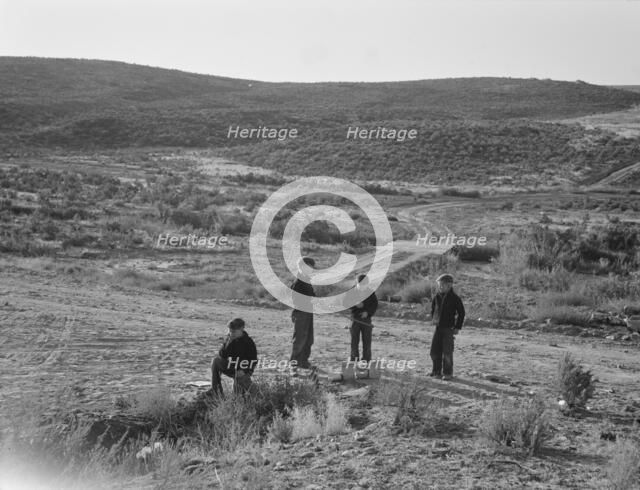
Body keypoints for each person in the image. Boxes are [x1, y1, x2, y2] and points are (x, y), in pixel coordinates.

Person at [429, 274, 465, 380]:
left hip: (449, 329)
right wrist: (434, 320)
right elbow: (433, 310)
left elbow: (461, 313)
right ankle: (436, 372)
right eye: (439, 285)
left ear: (449, 285)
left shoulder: (455, 298)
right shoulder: (437, 297)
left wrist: (457, 327)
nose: (440, 287)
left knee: (447, 353)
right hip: (438, 328)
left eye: (442, 285)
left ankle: (448, 373)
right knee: (434, 351)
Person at [210, 318, 258, 396]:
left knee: (238, 396)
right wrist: (229, 342)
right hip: (232, 367)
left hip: (243, 370)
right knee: (216, 361)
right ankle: (216, 392)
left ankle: (260, 395)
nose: (231, 333)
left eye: (234, 331)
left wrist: (244, 371)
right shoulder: (229, 338)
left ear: (241, 329)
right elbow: (222, 355)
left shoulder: (248, 342)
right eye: (230, 331)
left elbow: (253, 360)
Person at [290, 256, 316, 371]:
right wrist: (309, 301)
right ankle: (294, 363)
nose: (310, 269)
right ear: (300, 267)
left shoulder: (307, 281)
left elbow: (311, 296)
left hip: (308, 313)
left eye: (311, 268)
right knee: (300, 339)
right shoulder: (298, 282)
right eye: (308, 267)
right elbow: (295, 300)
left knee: (309, 339)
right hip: (300, 313)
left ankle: (303, 361)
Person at [349, 274, 378, 362]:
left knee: (367, 340)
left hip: (366, 320)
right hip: (354, 319)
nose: (362, 287)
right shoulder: (351, 292)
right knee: (354, 341)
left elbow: (375, 304)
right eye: (360, 285)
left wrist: (368, 312)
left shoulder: (370, 292)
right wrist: (355, 304)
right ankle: (354, 359)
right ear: (357, 283)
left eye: (364, 285)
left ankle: (366, 359)